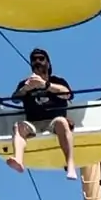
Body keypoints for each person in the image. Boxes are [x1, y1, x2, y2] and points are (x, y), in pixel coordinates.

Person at [8, 48, 78, 179]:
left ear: (48, 63)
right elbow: (15, 99)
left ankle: (70, 165)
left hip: (54, 122)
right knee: (18, 126)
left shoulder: (58, 81)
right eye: (34, 60)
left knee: (62, 122)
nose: (37, 62)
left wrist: (45, 85)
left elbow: (67, 94)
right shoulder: (25, 83)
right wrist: (26, 89)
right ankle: (18, 159)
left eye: (41, 59)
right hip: (33, 123)